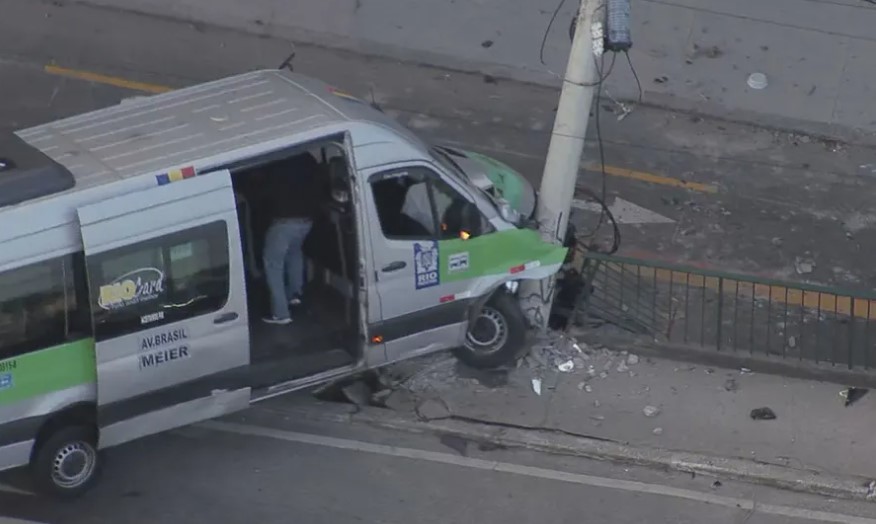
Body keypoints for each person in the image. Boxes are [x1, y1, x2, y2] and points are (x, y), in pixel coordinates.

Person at [261, 154, 321, 325]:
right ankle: (295, 293)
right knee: (295, 253)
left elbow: (266, 191)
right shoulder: (308, 159)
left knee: (273, 265)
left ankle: (281, 313)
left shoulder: (276, 163)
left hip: (283, 223)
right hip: (306, 221)